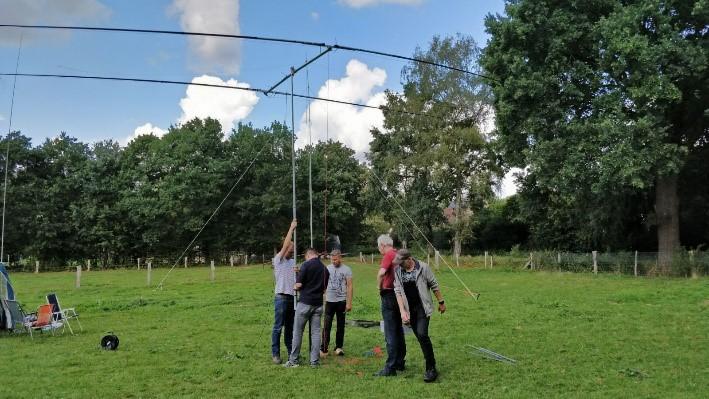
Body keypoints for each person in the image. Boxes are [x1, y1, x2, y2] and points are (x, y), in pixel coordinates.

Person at [392, 249, 446, 383]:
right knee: (421, 338)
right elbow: (397, 290)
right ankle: (431, 363)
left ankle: (431, 368)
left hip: (423, 308)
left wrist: (441, 302)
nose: (398, 264)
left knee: (422, 334)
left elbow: (434, 285)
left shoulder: (423, 267)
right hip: (409, 310)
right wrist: (402, 311)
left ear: (409, 259)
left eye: (401, 262)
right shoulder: (398, 270)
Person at [284, 248, 329, 368]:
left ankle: (293, 360)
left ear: (308, 255)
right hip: (318, 304)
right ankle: (314, 362)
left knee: (298, 332)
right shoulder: (325, 269)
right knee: (315, 333)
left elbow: (298, 285)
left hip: (304, 303)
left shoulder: (306, 265)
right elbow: (324, 289)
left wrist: (295, 284)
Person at [373, 234, 406, 377]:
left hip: (389, 294)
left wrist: (379, 287)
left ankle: (390, 367)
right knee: (398, 330)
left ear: (382, 245)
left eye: (378, 246)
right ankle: (400, 361)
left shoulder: (388, 255)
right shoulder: (399, 254)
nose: (379, 249)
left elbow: (381, 273)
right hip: (400, 295)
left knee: (390, 332)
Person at [270, 219, 297, 365]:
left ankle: (291, 353)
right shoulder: (278, 260)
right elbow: (286, 243)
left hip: (292, 298)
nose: (291, 251)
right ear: (284, 249)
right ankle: (275, 354)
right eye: (289, 249)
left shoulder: (293, 263)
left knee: (290, 328)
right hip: (281, 298)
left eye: (292, 250)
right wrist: (291, 228)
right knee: (278, 327)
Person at [320, 249, 353, 357]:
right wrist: (323, 297)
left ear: (340, 258)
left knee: (340, 325)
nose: (334, 261)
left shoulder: (347, 270)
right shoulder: (327, 268)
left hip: (341, 301)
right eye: (332, 260)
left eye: (336, 259)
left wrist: (349, 303)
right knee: (327, 325)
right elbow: (323, 285)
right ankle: (324, 348)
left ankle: (338, 347)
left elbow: (349, 286)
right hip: (329, 301)